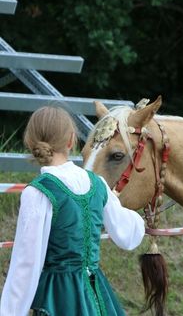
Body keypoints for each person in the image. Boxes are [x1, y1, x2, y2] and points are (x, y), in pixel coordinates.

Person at [0, 106, 145, 316]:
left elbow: (26, 265)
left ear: (30, 144)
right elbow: (128, 236)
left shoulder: (38, 192)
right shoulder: (98, 185)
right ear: (71, 140)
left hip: (58, 300)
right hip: (96, 296)